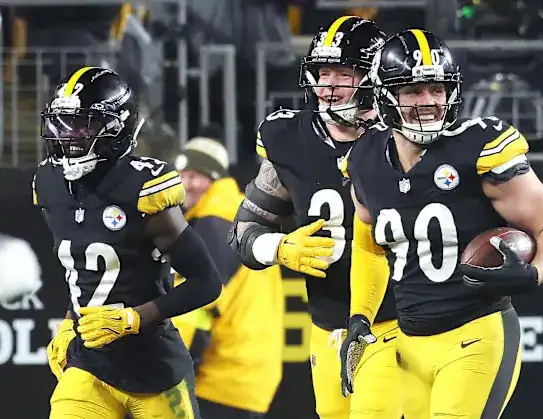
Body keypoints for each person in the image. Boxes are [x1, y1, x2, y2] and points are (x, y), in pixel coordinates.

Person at [339, 29, 543, 419]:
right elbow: (368, 245)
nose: (429, 102)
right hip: (409, 343)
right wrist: (360, 315)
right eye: (414, 91)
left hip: (475, 334)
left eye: (437, 89)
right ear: (385, 97)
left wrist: (536, 272)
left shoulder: (476, 148)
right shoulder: (365, 159)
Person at [229, 16, 402, 419]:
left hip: (400, 318)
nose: (328, 86)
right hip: (328, 321)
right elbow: (244, 231)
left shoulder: (403, 137)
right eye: (323, 73)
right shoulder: (290, 138)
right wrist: (279, 247)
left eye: (343, 74)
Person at [34, 66, 223, 419]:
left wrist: (132, 319)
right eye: (63, 123)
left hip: (154, 370)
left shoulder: (143, 188)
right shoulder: (49, 183)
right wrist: (69, 321)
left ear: (115, 130)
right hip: (90, 363)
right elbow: (85, 273)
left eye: (83, 125)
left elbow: (207, 282)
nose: (69, 135)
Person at [171, 134, 284, 419]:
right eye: (182, 175)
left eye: (196, 176)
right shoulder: (236, 212)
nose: (186, 184)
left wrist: (167, 373)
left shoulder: (215, 223)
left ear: (215, 178)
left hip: (220, 376)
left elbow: (194, 306)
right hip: (246, 374)